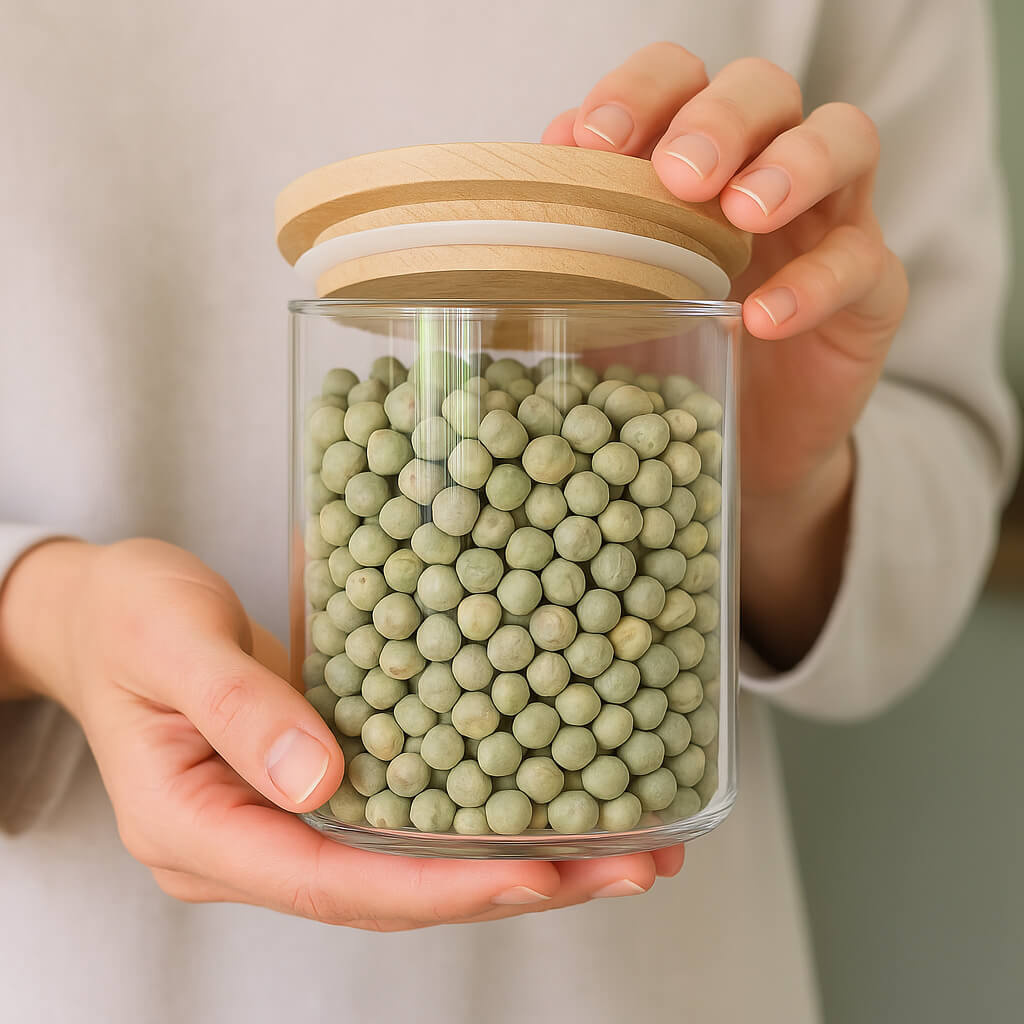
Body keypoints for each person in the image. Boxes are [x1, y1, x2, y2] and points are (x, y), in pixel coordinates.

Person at [0, 2, 1017, 1021]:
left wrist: (778, 484)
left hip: (637, 966)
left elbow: (940, 483)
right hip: (82, 962)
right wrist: (39, 610)